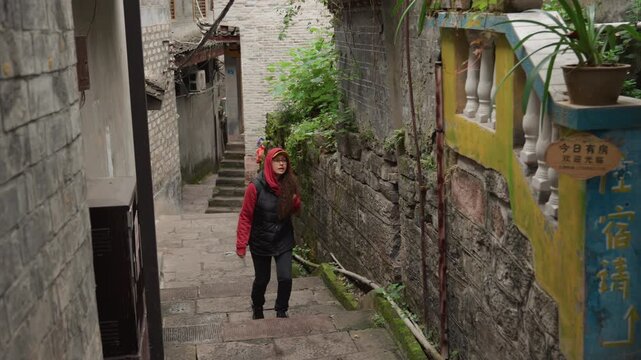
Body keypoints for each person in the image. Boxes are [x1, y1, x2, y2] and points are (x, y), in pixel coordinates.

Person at [236, 147, 302, 319]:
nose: (281, 164)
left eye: (284, 160)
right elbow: (245, 216)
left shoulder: (290, 183)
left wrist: (295, 203)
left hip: (283, 237)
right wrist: (241, 244)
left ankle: (281, 310)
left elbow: (294, 210)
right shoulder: (255, 187)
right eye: (277, 160)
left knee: (285, 277)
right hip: (261, 240)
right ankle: (257, 306)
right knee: (262, 280)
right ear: (268, 163)